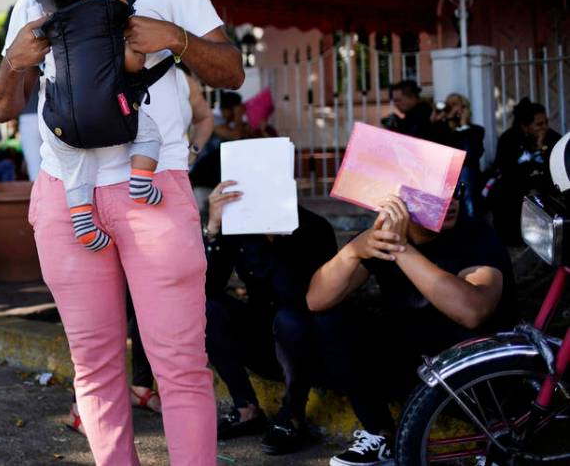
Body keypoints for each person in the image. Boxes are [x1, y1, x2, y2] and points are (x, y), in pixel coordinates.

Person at [0, 0, 244, 465]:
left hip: (150, 188)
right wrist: (14, 60)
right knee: (95, 367)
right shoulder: (34, 0)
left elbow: (231, 69)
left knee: (180, 364)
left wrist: (176, 39)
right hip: (64, 194)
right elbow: (0, 106)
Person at [306, 187, 514, 466]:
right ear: (401, 200)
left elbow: (473, 311)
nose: (450, 202)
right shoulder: (383, 237)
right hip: (415, 367)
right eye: (435, 194)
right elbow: (316, 300)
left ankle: (496, 443)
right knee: (330, 321)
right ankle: (380, 436)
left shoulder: (476, 236)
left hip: (471, 378)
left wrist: (401, 249)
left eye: (456, 191)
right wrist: (353, 252)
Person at [204, 181, 349, 454]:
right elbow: (208, 287)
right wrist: (213, 228)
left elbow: (296, 296)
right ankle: (245, 408)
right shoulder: (239, 229)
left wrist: (276, 239)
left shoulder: (314, 228)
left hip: (307, 345)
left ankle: (293, 415)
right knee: (207, 308)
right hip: (263, 341)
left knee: (289, 318)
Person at [37, 0, 164, 252]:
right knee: (149, 135)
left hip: (62, 123)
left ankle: (82, 220)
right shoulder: (111, 27)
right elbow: (133, 65)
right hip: (111, 111)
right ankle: (141, 182)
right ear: (92, 2)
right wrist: (138, 49)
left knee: (76, 168)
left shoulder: (52, 26)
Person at [490, 98, 562, 244]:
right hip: (515, 190)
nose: (545, 127)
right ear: (525, 126)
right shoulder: (509, 139)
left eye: (546, 122)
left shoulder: (552, 137)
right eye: (539, 124)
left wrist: (542, 149)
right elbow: (507, 171)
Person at [429, 93, 485, 218]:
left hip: (466, 180)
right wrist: (435, 120)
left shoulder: (475, 131)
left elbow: (470, 156)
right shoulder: (442, 130)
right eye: (448, 104)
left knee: (465, 169)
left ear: (464, 108)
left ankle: (471, 219)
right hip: (444, 178)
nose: (450, 107)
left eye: (454, 104)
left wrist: (463, 125)